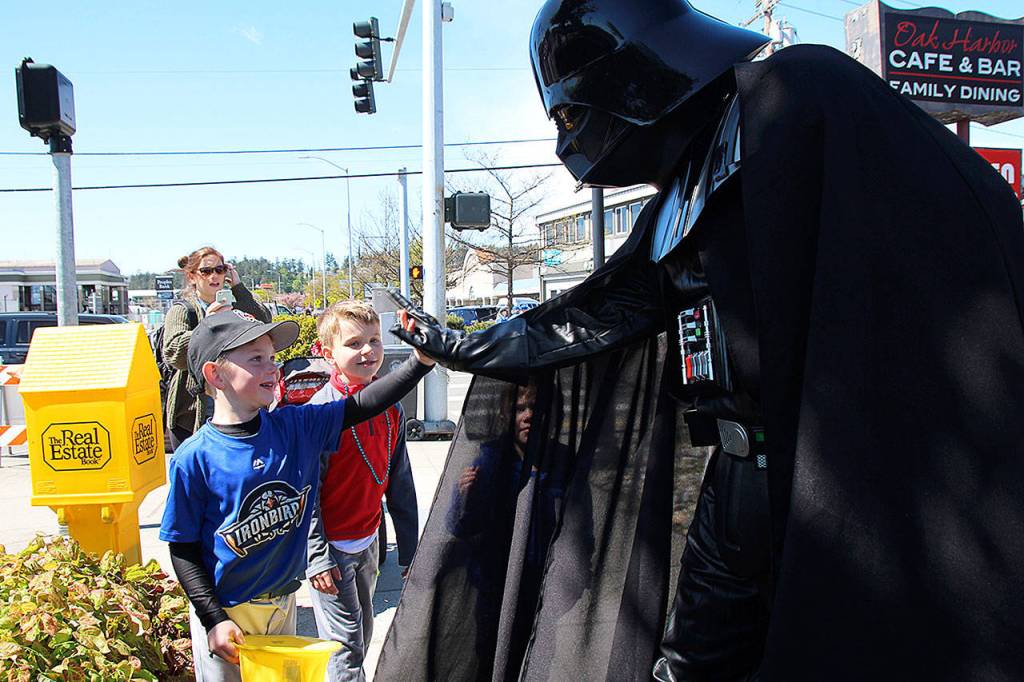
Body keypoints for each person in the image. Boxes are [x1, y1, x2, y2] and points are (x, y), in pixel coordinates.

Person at [379, 1, 1024, 680]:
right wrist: (467, 346)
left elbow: (942, 275)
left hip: (842, 485)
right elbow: (602, 313)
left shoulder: (798, 98)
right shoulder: (689, 185)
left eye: (570, 115)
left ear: (630, 74)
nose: (568, 143)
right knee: (690, 666)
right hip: (740, 479)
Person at [158, 307, 434, 682]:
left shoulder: (295, 426)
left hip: (281, 603)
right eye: (256, 359)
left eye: (272, 358)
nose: (272, 367)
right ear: (214, 374)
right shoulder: (196, 457)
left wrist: (420, 362)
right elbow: (183, 548)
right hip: (229, 612)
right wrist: (213, 619)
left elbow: (364, 404)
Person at [304, 301, 420, 682]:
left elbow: (399, 482)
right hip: (332, 551)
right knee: (345, 646)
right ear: (327, 354)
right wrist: (317, 556)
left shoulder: (391, 409)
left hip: (368, 542)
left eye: (373, 340)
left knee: (363, 635)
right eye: (353, 344)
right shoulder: (321, 412)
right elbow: (307, 494)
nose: (367, 351)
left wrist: (408, 552)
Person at [161, 246, 270, 450]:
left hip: (236, 407)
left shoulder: (234, 307)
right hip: (192, 415)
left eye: (220, 270)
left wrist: (238, 287)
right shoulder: (183, 310)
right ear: (192, 277)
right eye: (206, 271)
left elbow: (264, 323)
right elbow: (173, 353)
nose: (214, 276)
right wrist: (208, 325)